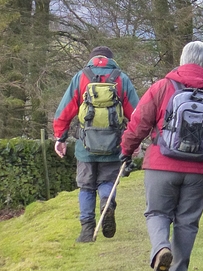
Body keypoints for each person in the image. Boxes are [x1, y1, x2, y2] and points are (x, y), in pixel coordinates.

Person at [120, 41, 203, 271]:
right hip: (200, 170)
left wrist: (127, 149)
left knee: (157, 212)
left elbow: (138, 122)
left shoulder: (162, 87)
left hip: (161, 165)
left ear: (183, 60)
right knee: (187, 222)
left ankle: (161, 248)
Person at [53, 45, 139, 243]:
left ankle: (86, 231)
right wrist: (134, 142)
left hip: (85, 146)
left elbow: (64, 110)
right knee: (108, 180)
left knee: (86, 186)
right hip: (113, 144)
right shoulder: (121, 78)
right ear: (111, 60)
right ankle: (106, 204)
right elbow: (136, 113)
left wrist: (60, 138)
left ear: (92, 59)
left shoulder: (81, 77)